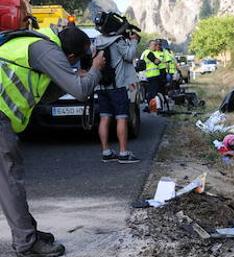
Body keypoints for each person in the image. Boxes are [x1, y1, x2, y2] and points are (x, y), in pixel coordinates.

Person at [0, 25, 105, 257]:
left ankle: (27, 233)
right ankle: (26, 243)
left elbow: (43, 95)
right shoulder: (46, 50)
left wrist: (68, 77)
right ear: (70, 56)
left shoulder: (42, 47)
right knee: (9, 180)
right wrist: (96, 70)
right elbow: (80, 92)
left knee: (8, 179)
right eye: (77, 61)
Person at [95, 31, 140, 164]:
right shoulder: (117, 41)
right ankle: (123, 153)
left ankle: (106, 152)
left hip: (101, 86)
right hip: (117, 86)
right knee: (121, 118)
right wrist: (133, 41)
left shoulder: (97, 41)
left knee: (104, 118)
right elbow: (130, 55)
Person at [141, 40, 162, 106]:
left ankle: (150, 106)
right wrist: (159, 60)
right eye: (154, 45)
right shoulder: (148, 53)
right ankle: (151, 106)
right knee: (152, 93)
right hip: (152, 75)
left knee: (150, 92)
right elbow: (156, 61)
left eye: (156, 45)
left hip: (149, 76)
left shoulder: (146, 52)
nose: (155, 46)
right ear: (149, 46)